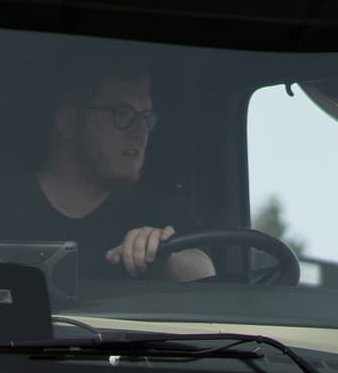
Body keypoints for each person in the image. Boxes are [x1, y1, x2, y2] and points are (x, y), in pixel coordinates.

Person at [21, 69, 212, 281]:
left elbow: (204, 275)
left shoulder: (162, 215)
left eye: (146, 117)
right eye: (123, 113)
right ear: (70, 119)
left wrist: (165, 258)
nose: (140, 131)